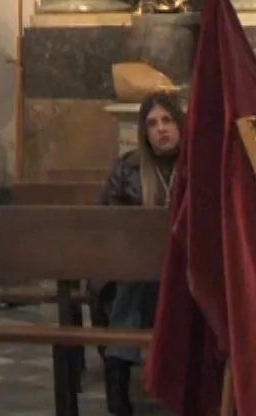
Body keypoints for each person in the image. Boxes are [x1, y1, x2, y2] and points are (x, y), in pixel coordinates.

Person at [97, 92, 183, 416]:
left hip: (185, 276)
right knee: (133, 285)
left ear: (180, 124)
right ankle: (118, 391)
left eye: (168, 120)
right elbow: (108, 224)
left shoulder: (198, 166)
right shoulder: (128, 168)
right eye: (152, 123)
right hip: (136, 275)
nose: (161, 129)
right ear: (144, 132)